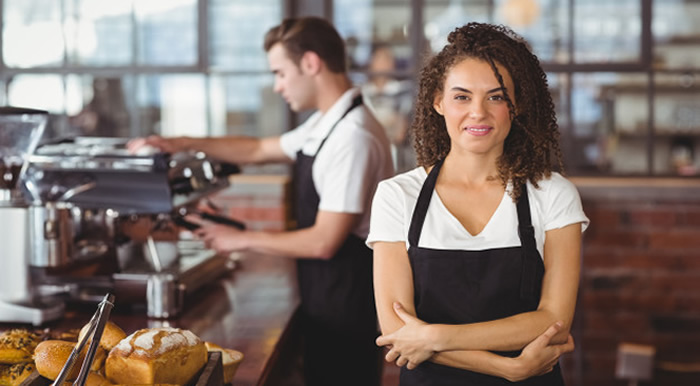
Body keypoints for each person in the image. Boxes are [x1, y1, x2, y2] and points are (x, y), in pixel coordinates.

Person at [129, 17, 393, 386]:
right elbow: (256, 148)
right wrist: (179, 143)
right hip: (327, 301)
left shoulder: (353, 137)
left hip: (347, 308)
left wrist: (240, 238)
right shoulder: (326, 124)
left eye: (280, 73)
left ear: (311, 64)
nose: (277, 86)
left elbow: (323, 241)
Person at [366, 22, 589, 385]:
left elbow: (554, 320)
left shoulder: (553, 194)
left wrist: (436, 337)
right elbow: (397, 331)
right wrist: (506, 367)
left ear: (515, 106)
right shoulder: (397, 196)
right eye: (462, 96)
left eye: (496, 96)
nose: (478, 113)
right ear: (438, 102)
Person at [361, 44, 414, 172]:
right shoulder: (363, 92)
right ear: (371, 62)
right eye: (379, 59)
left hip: (396, 160)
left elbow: (399, 132)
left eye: (388, 59)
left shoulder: (403, 91)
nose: (384, 64)